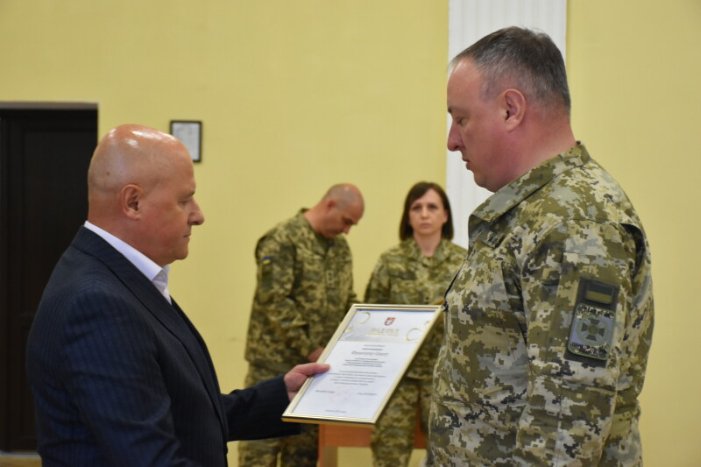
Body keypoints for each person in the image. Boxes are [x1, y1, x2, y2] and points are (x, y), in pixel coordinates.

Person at [25, 124, 329, 467]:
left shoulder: (119, 278)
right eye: (184, 200)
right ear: (133, 203)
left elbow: (181, 414)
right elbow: (149, 458)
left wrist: (282, 396)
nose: (198, 215)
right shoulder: (98, 303)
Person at [428, 27, 654, 465]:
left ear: (511, 109)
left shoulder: (575, 223)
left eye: (461, 119)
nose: (452, 141)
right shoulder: (536, 212)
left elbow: (567, 420)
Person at [239, 183, 364, 467]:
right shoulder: (283, 239)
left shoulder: (340, 249)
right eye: (346, 221)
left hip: (313, 376)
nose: (347, 231)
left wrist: (365, 330)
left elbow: (347, 300)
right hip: (273, 369)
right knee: (260, 455)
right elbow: (275, 302)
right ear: (330, 205)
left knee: (303, 458)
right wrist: (312, 349)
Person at [364, 181, 466, 467]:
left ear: (445, 215)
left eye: (432, 207)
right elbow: (370, 315)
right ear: (408, 217)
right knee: (388, 455)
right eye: (416, 207)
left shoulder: (463, 261)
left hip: (445, 376)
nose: (424, 214)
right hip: (398, 378)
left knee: (448, 455)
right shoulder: (391, 261)